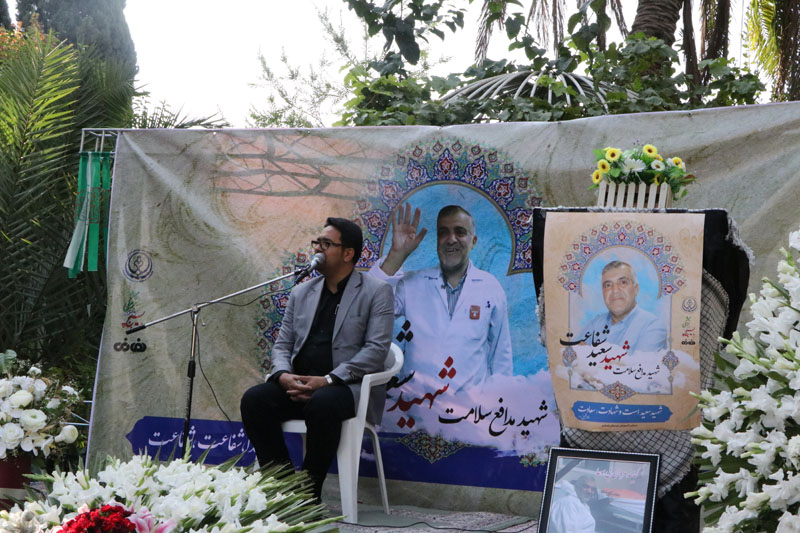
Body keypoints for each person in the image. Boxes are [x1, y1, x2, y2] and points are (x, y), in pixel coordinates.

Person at [240, 217, 394, 502]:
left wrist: (328, 380)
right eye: (317, 243)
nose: (318, 249)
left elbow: (376, 350)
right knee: (255, 400)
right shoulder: (302, 292)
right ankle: (283, 488)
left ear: (348, 253)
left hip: (345, 388)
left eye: (326, 244)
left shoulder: (376, 291)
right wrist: (283, 375)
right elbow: (282, 345)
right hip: (298, 384)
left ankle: (309, 492)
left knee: (322, 404)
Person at [368, 203, 512, 389]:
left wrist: (498, 400)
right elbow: (369, 306)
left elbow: (501, 357)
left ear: (473, 241)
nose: (451, 239)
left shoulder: (490, 287)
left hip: (472, 403)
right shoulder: (411, 284)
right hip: (416, 401)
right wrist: (396, 255)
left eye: (460, 232)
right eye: (443, 233)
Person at [580, 260, 667, 354]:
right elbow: (572, 355)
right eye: (608, 285)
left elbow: (639, 363)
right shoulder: (595, 324)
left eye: (623, 282)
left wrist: (587, 354)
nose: (615, 290)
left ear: (636, 289)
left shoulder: (653, 326)